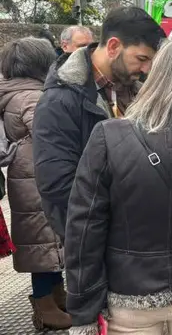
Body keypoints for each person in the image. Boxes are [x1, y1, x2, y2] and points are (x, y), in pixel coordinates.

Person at [64, 39, 172, 335]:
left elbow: (83, 229)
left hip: (129, 292)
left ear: (157, 73)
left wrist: (83, 310)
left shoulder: (108, 135)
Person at [33, 6, 165, 242]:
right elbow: (57, 185)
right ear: (113, 47)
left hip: (138, 236)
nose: (147, 69)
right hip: (96, 240)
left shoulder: (139, 91)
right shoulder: (59, 100)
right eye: (142, 59)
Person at [0, 38, 70, 330]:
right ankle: (44, 305)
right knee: (44, 242)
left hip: (27, 174)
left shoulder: (16, 92)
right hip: (38, 177)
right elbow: (49, 134)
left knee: (47, 241)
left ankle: (56, 295)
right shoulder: (32, 96)